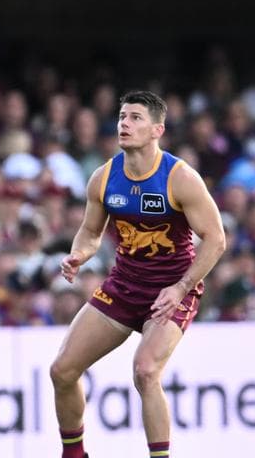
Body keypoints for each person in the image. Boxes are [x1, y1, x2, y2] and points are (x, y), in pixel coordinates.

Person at [50, 90, 226, 458]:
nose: (124, 124)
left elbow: (215, 240)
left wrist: (180, 288)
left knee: (145, 372)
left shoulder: (180, 178)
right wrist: (78, 254)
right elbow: (91, 231)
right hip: (124, 286)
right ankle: (74, 454)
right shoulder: (103, 177)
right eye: (122, 117)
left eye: (135, 118)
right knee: (62, 371)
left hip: (171, 290)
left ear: (157, 130)